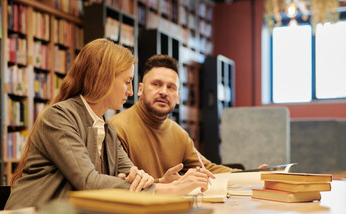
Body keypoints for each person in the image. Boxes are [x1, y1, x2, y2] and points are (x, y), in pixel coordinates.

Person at [5, 40, 213, 210]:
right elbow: (88, 182)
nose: (131, 92)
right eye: (126, 82)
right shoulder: (58, 118)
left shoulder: (107, 129)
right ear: (103, 79)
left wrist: (155, 182)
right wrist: (170, 190)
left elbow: (136, 178)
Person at [110, 55, 267, 184]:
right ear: (140, 89)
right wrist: (162, 183)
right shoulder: (117, 128)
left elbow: (208, 169)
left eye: (171, 87)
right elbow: (117, 184)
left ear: (178, 97)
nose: (163, 92)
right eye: (156, 84)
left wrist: (253, 175)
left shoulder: (180, 134)